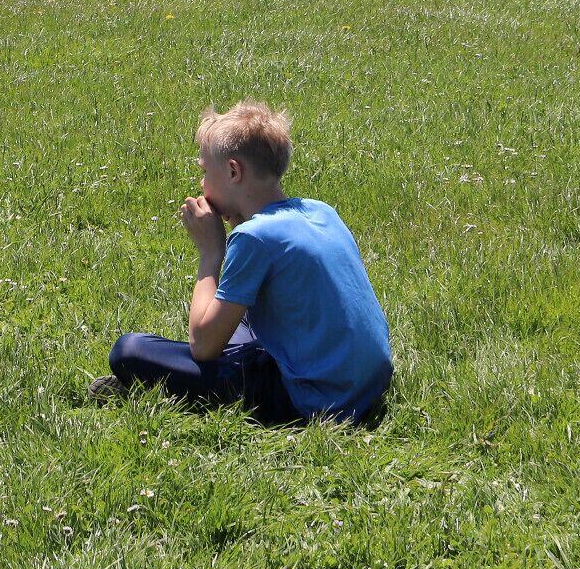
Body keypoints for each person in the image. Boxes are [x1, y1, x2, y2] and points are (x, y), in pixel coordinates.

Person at [95, 101, 393, 426]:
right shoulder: (320, 210)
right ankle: (178, 384)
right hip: (367, 386)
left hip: (314, 402)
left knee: (130, 351)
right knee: (237, 321)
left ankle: (164, 390)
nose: (202, 184)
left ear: (234, 171)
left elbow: (204, 346)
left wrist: (210, 253)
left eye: (205, 171)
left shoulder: (255, 237)